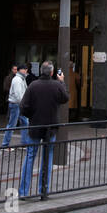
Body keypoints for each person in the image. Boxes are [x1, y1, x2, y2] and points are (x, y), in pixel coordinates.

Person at [18, 62, 68, 199]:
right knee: (47, 158)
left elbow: (23, 107)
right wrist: (62, 82)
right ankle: (43, 190)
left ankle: (23, 192)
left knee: (30, 156)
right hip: (50, 127)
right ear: (52, 73)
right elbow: (65, 98)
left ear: (41, 71)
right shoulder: (57, 85)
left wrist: (32, 116)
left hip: (35, 126)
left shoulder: (33, 85)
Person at [2, 65, 28, 150]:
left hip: (18, 104)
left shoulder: (20, 79)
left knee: (24, 123)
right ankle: (5, 144)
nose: (26, 71)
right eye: (25, 69)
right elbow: (18, 94)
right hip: (17, 104)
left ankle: (24, 143)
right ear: (21, 70)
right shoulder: (18, 80)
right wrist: (23, 103)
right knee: (12, 124)